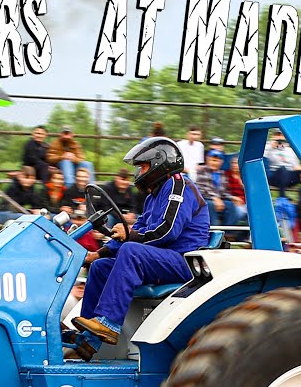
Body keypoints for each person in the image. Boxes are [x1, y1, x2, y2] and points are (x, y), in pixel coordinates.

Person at [66, 136, 210, 361]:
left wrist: (130, 235)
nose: (138, 173)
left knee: (131, 251)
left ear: (158, 164)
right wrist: (97, 254)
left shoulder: (178, 187)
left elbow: (167, 231)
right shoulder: (154, 196)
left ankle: (108, 323)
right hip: (160, 259)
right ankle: (88, 339)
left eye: (142, 167)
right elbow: (139, 229)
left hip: (183, 261)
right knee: (101, 267)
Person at [198, 151, 243, 226]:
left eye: (217, 161)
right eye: (213, 160)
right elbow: (203, 188)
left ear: (221, 162)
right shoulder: (202, 170)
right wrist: (215, 198)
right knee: (210, 205)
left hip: (219, 199)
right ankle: (215, 228)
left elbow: (224, 192)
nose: (214, 163)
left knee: (230, 205)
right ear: (208, 160)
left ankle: (228, 230)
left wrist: (232, 197)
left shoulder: (222, 173)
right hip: (205, 198)